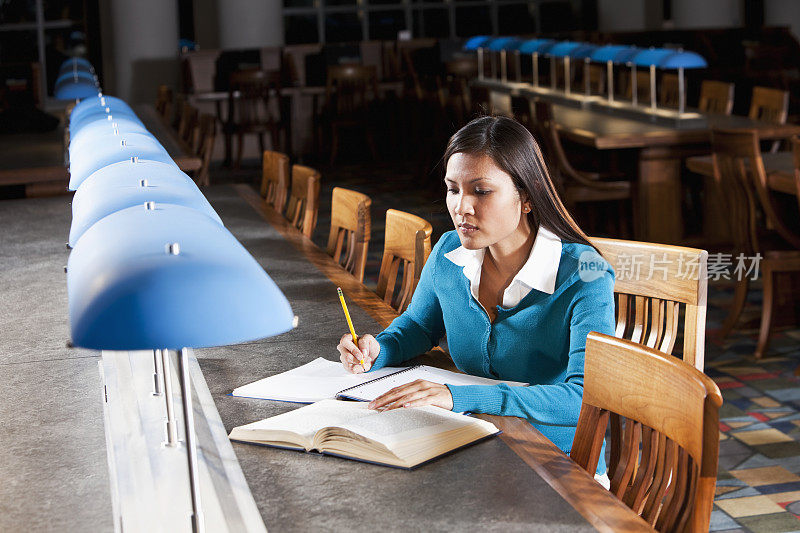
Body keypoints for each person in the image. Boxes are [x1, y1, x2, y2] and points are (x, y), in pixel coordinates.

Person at [336, 115, 615, 484]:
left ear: (527, 196)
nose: (461, 206)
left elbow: (584, 400)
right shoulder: (450, 251)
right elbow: (419, 327)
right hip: (468, 444)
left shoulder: (586, 272)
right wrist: (377, 350)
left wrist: (461, 397)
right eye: (453, 189)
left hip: (555, 463)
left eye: (481, 191)